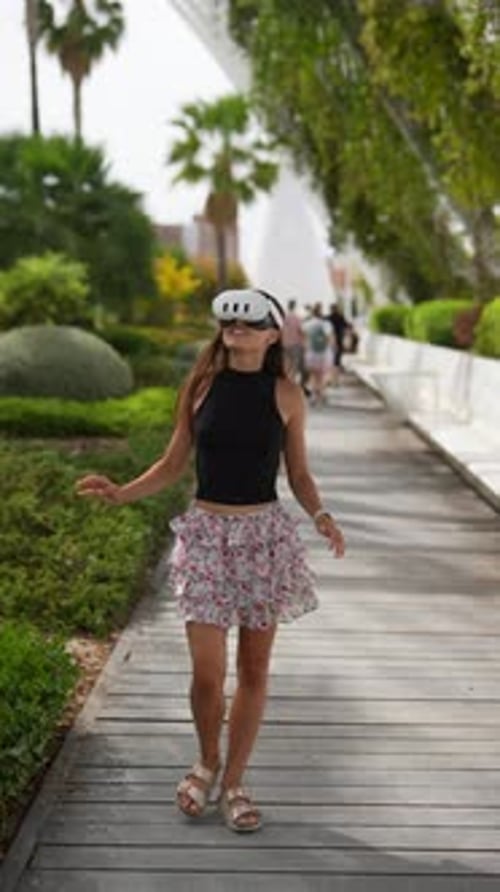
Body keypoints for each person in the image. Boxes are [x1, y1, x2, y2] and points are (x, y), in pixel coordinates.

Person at [75, 287, 345, 834]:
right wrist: (122, 491)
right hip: (205, 537)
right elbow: (174, 463)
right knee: (206, 674)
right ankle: (207, 758)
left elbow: (298, 473)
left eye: (250, 324)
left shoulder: (287, 394)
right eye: (230, 323)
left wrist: (320, 515)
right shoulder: (200, 387)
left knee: (252, 669)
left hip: (263, 539)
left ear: (272, 336)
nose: (237, 330)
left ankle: (236, 781)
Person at [303, 302, 334, 404]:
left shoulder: (307, 324)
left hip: (311, 353)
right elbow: (330, 339)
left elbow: (304, 339)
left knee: (313, 375)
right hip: (323, 353)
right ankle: (321, 395)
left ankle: (314, 396)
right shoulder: (326, 324)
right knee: (321, 375)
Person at [281, 298, 306, 389]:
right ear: (294, 306)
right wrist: (304, 343)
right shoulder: (297, 318)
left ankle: (286, 382)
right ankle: (291, 384)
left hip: (284, 344)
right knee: (294, 365)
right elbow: (301, 331)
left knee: (286, 364)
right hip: (295, 344)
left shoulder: (283, 318)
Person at [327, 302, 348, 383]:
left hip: (329, 342)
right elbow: (347, 327)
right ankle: (336, 379)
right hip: (339, 341)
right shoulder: (340, 317)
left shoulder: (327, 318)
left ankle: (330, 378)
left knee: (329, 360)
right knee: (337, 361)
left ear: (331, 309)